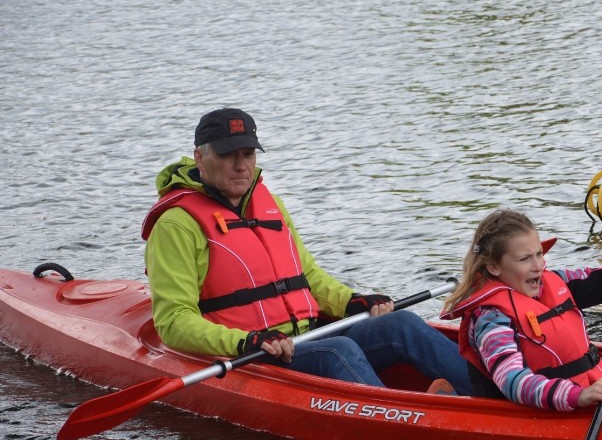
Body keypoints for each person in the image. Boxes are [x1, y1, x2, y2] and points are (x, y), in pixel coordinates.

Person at [142, 107, 470, 394]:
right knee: (339, 350)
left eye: (247, 154)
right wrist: (246, 342)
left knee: (403, 324)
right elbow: (173, 322)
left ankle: (497, 393)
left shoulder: (269, 204)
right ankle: (408, 424)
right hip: (258, 354)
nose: (241, 166)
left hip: (309, 334)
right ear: (200, 157)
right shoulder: (177, 225)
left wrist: (350, 302)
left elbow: (306, 276)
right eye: (228, 155)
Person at [440, 209, 602, 410]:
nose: (538, 266)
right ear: (494, 268)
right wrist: (577, 396)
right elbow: (513, 382)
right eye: (525, 259)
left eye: (539, 254)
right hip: (546, 408)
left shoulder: (555, 281)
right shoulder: (492, 319)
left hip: (592, 394)